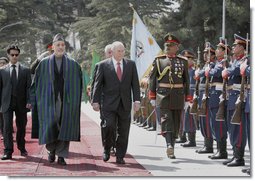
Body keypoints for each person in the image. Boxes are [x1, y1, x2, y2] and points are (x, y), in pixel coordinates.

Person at [31, 33, 83, 165]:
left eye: (62, 45)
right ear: (52, 47)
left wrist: (76, 100)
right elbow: (35, 83)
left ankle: (61, 155)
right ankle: (51, 150)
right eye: (58, 45)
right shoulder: (43, 64)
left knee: (65, 125)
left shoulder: (73, 64)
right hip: (48, 102)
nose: (60, 47)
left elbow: (79, 83)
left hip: (66, 101)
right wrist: (32, 100)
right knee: (49, 125)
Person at [91, 41, 140, 164]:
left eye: (123, 50)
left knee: (124, 130)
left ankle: (120, 155)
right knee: (109, 126)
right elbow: (97, 85)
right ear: (112, 52)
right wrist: (95, 101)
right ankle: (107, 148)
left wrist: (137, 100)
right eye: (119, 51)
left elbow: (135, 84)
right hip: (108, 104)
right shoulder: (102, 65)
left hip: (125, 103)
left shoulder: (130, 65)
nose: (122, 53)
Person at [149, 33, 190, 159]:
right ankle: (169, 146)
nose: (168, 46)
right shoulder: (159, 60)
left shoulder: (183, 62)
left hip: (178, 96)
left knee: (176, 123)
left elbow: (186, 80)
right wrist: (152, 96)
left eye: (171, 45)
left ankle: (171, 146)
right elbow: (152, 79)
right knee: (166, 121)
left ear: (177, 47)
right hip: (163, 96)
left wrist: (188, 98)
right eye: (166, 45)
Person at [0, 45, 31, 160]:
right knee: (7, 128)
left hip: (21, 103)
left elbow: (29, 88)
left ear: (19, 55)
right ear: (8, 55)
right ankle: (8, 151)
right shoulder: (2, 71)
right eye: (12, 55)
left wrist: (29, 101)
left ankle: (22, 148)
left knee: (21, 127)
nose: (14, 57)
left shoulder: (25, 70)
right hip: (6, 103)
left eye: (16, 55)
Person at [222, 34, 248, 167]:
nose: (233, 47)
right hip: (231, 97)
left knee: (238, 128)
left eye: (235, 46)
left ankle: (239, 157)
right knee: (232, 128)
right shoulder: (236, 61)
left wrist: (228, 70)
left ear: (242, 48)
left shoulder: (244, 60)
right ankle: (234, 154)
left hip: (239, 98)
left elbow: (236, 70)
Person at [206, 38, 230, 159]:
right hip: (213, 95)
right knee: (214, 124)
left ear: (224, 51)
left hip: (219, 96)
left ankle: (222, 151)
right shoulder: (216, 63)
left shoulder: (223, 63)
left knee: (219, 124)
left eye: (219, 49)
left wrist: (208, 70)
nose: (216, 50)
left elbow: (215, 72)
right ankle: (218, 149)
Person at [194, 43, 216, 154]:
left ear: (213, 55)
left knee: (207, 120)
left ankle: (209, 146)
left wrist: (199, 73)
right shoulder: (204, 65)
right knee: (203, 120)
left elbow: (203, 75)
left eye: (207, 53)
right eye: (204, 53)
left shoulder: (212, 65)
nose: (204, 55)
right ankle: (206, 143)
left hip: (208, 96)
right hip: (201, 94)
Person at [180, 50, 197, 147]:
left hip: (189, 98)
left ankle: (192, 140)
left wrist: (190, 99)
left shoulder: (193, 71)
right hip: (184, 97)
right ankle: (186, 137)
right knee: (185, 118)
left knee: (189, 118)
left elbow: (192, 87)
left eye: (186, 59)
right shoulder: (185, 71)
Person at [0, 57, 9, 140]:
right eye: (0, 63)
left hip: (5, 99)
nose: (2, 64)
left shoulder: (8, 73)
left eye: (3, 63)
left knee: (4, 117)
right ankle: (3, 133)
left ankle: (5, 133)